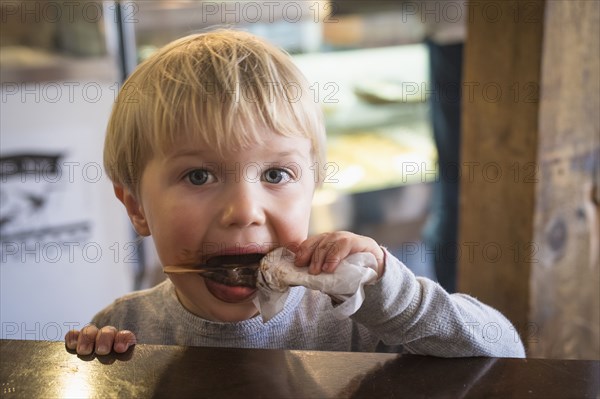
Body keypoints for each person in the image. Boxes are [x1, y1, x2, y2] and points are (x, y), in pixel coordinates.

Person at [64, 30, 525, 358]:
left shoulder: (357, 319)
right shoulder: (127, 326)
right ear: (136, 207)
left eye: (276, 174)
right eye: (199, 177)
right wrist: (97, 367)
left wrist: (394, 295)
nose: (244, 212)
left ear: (313, 186)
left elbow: (506, 351)